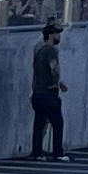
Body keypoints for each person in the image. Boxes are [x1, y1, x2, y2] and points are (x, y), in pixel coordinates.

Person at [28, 22, 68, 161]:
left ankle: (37, 152)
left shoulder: (39, 48)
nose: (59, 36)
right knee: (57, 123)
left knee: (39, 123)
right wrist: (57, 83)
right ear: (50, 35)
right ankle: (58, 153)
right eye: (57, 33)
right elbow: (53, 68)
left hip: (37, 92)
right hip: (49, 93)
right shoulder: (50, 50)